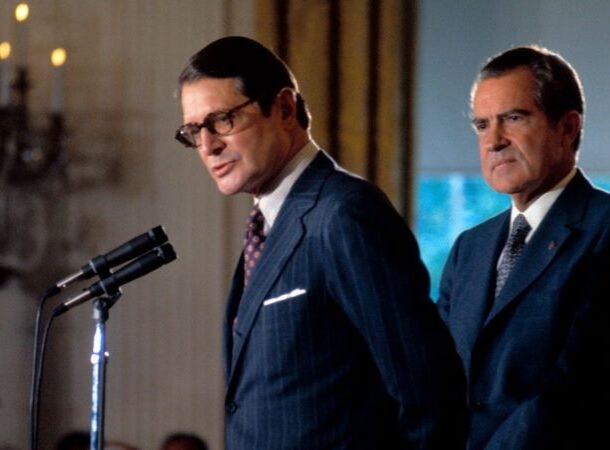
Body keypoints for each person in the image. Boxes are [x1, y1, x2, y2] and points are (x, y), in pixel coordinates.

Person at [175, 36, 467, 449]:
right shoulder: (268, 225)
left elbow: (429, 390)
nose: (208, 146)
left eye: (222, 120)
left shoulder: (344, 213)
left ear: (284, 108)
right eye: (194, 130)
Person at [437, 45, 610, 450]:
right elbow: (435, 377)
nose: (493, 141)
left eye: (513, 118)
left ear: (567, 127)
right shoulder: (469, 248)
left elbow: (576, 386)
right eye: (482, 125)